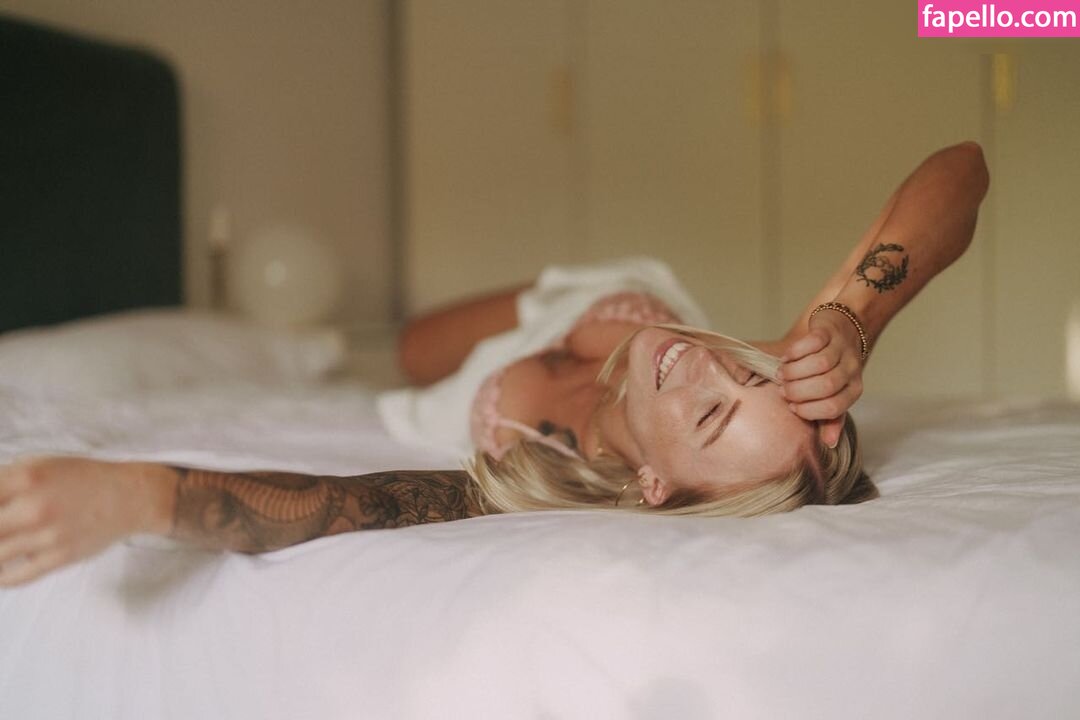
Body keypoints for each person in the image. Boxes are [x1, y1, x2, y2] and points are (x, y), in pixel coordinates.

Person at [0, 141, 989, 587]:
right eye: (748, 376)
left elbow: (344, 502)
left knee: (398, 350)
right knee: (428, 334)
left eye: (710, 416)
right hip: (548, 306)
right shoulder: (733, 353)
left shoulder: (549, 474)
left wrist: (133, 495)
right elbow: (963, 169)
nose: (707, 367)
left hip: (418, 381)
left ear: (652, 486)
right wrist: (853, 318)